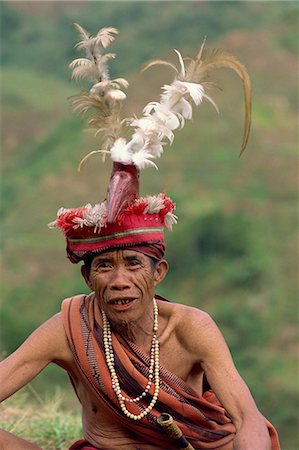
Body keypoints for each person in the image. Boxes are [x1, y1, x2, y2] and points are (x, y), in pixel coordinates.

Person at [1, 24, 280, 450]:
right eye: (104, 266)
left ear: (159, 272)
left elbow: (249, 421)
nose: (119, 280)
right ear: (88, 279)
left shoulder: (192, 329)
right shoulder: (68, 330)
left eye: (133, 263)